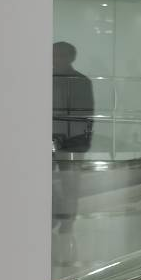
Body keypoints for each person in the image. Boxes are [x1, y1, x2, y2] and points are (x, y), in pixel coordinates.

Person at [52, 41, 94, 233]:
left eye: (60, 55)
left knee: (70, 183)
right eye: (54, 54)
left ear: (70, 57)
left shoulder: (81, 81)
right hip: (53, 139)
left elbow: (86, 114)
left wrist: (82, 140)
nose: (55, 58)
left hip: (72, 141)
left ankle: (67, 222)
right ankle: (55, 217)